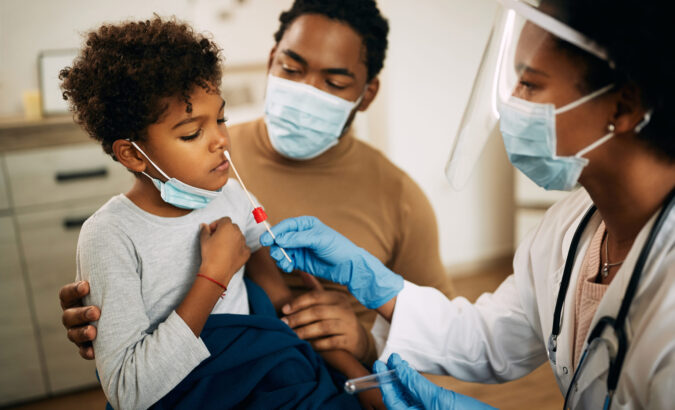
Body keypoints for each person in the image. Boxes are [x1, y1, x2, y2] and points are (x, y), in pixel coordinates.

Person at [260, 0, 675, 408]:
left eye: (529, 83)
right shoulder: (572, 225)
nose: (511, 102)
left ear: (623, 106)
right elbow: (491, 338)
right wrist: (376, 284)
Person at [60, 0, 454, 368]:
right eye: (292, 68)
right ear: (271, 60)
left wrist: (368, 343)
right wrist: (110, 318)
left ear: (367, 95)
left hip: (322, 375)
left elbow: (448, 342)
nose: (306, 91)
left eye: (334, 82)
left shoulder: (401, 198)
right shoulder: (202, 167)